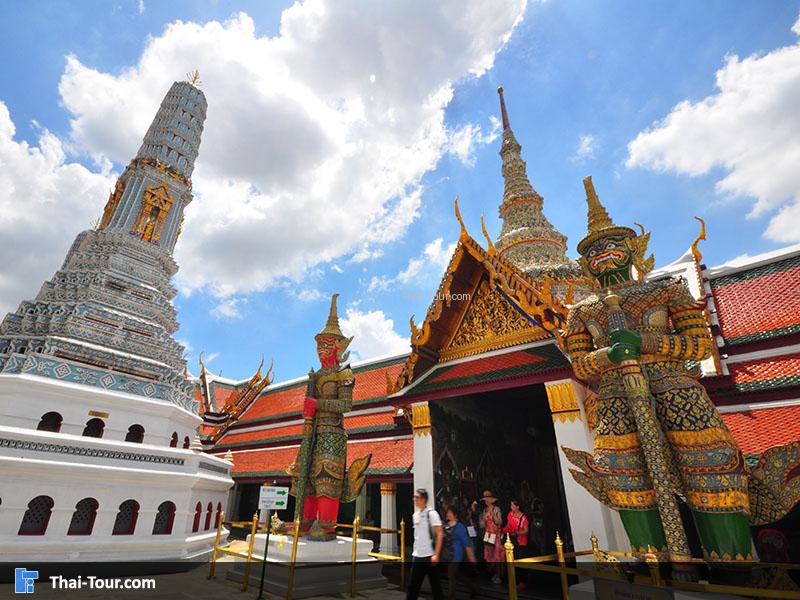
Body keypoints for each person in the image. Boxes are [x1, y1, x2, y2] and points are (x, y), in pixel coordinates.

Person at [407, 488, 444, 600]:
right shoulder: (416, 515)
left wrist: (436, 554)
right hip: (418, 555)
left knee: (435, 586)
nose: (415, 499)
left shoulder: (432, 514)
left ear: (424, 499)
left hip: (430, 556)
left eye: (417, 497)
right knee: (413, 586)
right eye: (414, 497)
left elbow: (439, 533)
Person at [443, 506, 479, 599]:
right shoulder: (446, 525)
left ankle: (451, 597)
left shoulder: (460, 526)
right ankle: (473, 588)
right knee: (457, 575)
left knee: (451, 575)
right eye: (447, 512)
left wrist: (471, 556)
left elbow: (466, 542)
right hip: (449, 553)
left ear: (455, 515)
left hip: (456, 554)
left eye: (450, 513)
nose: (448, 514)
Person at [503, 499, 529, 591]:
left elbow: (526, 531)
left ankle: (523, 582)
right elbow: (508, 525)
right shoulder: (510, 514)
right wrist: (503, 531)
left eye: (513, 505)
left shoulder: (523, 518)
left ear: (517, 507)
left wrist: (517, 532)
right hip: (512, 541)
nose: (511, 507)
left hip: (521, 542)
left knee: (521, 561)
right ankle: (515, 581)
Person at [480, 490, 503, 584]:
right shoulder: (484, 510)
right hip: (488, 534)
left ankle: (498, 575)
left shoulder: (496, 509)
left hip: (495, 534)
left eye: (487, 499)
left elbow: (500, 522)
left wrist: (494, 517)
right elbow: (482, 524)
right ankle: (494, 573)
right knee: (488, 555)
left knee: (496, 555)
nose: (485, 501)